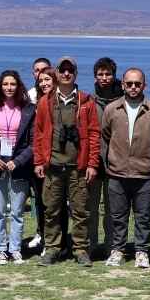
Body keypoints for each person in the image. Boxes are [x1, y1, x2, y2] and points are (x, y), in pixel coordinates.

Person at [32, 56, 101, 267]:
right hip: (52, 166)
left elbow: (94, 134)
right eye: (63, 70)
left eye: (70, 70)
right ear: (57, 74)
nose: (66, 74)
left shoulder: (86, 101)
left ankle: (80, 249)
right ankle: (52, 248)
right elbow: (39, 133)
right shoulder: (46, 101)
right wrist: (39, 161)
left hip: (77, 167)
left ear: (76, 74)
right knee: (51, 210)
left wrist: (92, 164)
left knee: (80, 211)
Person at [99, 67, 150, 268]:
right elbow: (105, 138)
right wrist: (109, 163)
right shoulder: (112, 109)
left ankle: (141, 251)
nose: (133, 87)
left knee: (143, 216)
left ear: (144, 85)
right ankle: (118, 250)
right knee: (118, 216)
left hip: (144, 174)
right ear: (123, 85)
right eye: (129, 83)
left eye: (137, 83)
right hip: (117, 173)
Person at [0, 70, 34, 264]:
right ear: (0, 86)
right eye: (5, 84)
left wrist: (18, 161)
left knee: (18, 212)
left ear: (18, 86)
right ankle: (1, 250)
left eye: (13, 84)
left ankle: (16, 249)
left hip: (19, 166)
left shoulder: (29, 109)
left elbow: (34, 142)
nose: (9, 88)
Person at [87, 56, 122, 257]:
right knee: (90, 207)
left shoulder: (123, 101)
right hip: (94, 161)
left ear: (114, 75)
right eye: (100, 74)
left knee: (113, 208)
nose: (104, 78)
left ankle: (112, 246)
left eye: (108, 74)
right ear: (95, 77)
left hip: (116, 162)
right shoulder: (89, 101)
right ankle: (90, 245)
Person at [28, 66, 59, 249]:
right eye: (40, 80)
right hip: (40, 159)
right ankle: (44, 236)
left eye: (47, 79)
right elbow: (37, 134)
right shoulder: (36, 102)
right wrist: (38, 160)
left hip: (58, 159)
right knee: (41, 201)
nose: (44, 83)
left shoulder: (62, 102)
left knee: (56, 203)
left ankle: (57, 241)